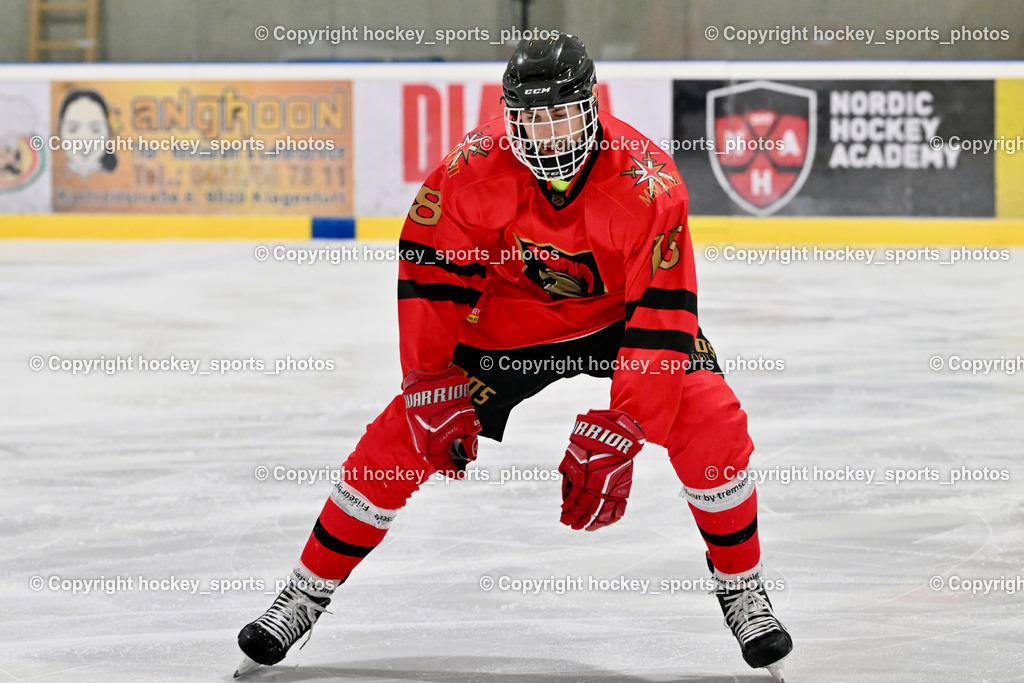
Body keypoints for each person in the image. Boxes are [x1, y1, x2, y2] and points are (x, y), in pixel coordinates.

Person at [236, 34, 793, 680]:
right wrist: (428, 380)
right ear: (510, 115)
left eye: (560, 113)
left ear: (590, 106)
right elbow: (431, 275)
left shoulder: (648, 183)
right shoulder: (470, 169)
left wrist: (631, 421)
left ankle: (743, 585)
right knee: (399, 436)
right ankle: (304, 591)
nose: (546, 132)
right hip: (508, 328)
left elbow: (664, 313)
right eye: (530, 117)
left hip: (621, 323)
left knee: (710, 417)